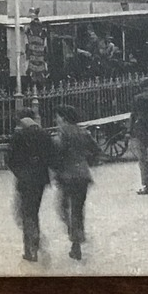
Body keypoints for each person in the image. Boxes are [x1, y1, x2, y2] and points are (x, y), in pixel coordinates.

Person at [5, 107, 55, 262]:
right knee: (34, 211)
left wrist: (20, 173)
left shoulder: (18, 135)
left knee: (26, 214)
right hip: (40, 180)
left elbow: (9, 159)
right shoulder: (44, 134)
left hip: (25, 181)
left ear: (20, 119)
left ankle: (30, 250)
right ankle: (36, 241)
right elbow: (52, 156)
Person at [53, 104, 99, 261]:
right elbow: (96, 150)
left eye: (58, 117)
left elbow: (57, 153)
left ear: (64, 118)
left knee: (62, 208)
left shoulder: (62, 133)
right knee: (77, 209)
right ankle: (77, 237)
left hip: (67, 177)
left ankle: (75, 240)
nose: (56, 120)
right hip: (83, 176)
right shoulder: (83, 131)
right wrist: (85, 161)